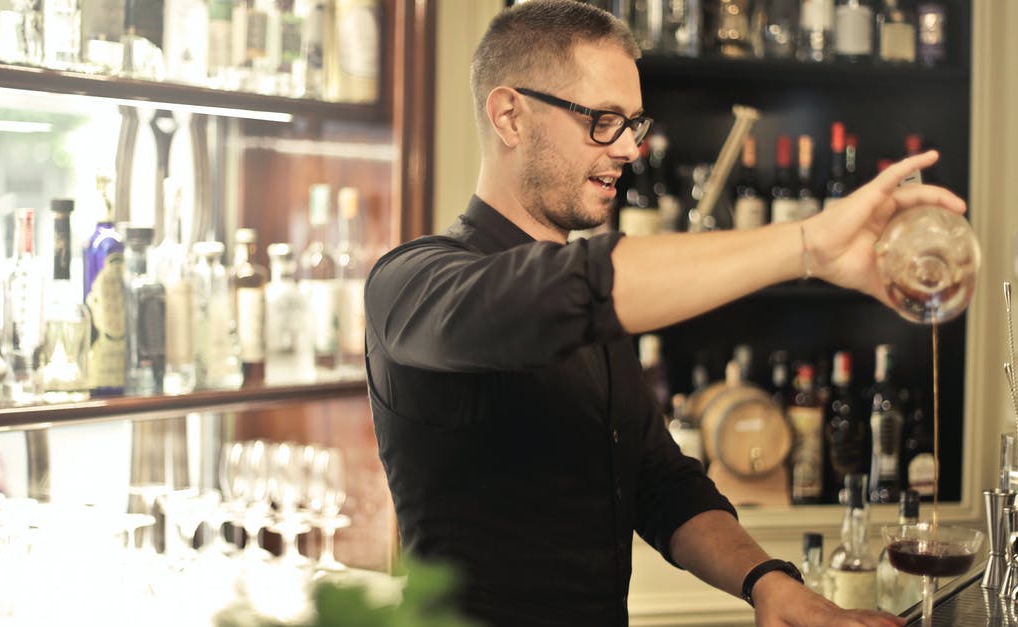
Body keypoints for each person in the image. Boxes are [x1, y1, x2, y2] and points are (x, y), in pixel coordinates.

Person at [364, 1, 965, 625]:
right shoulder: (412, 284)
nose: (629, 148)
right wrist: (806, 246)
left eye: (632, 123)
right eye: (602, 120)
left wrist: (768, 583)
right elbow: (556, 293)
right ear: (510, 115)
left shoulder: (598, 319)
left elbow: (660, 482)